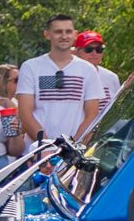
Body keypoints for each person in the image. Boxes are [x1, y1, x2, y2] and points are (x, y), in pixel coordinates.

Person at [17, 14, 104, 144]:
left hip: (73, 153)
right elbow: (25, 113)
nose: (64, 36)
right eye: (58, 32)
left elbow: (92, 114)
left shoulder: (88, 69)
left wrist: (71, 146)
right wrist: (46, 146)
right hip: (37, 152)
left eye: (68, 31)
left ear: (75, 35)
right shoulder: (30, 67)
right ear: (47, 34)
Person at [74, 31, 123, 112]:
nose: (94, 53)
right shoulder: (68, 77)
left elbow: (115, 109)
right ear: (76, 51)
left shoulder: (111, 77)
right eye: (88, 49)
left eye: (99, 49)